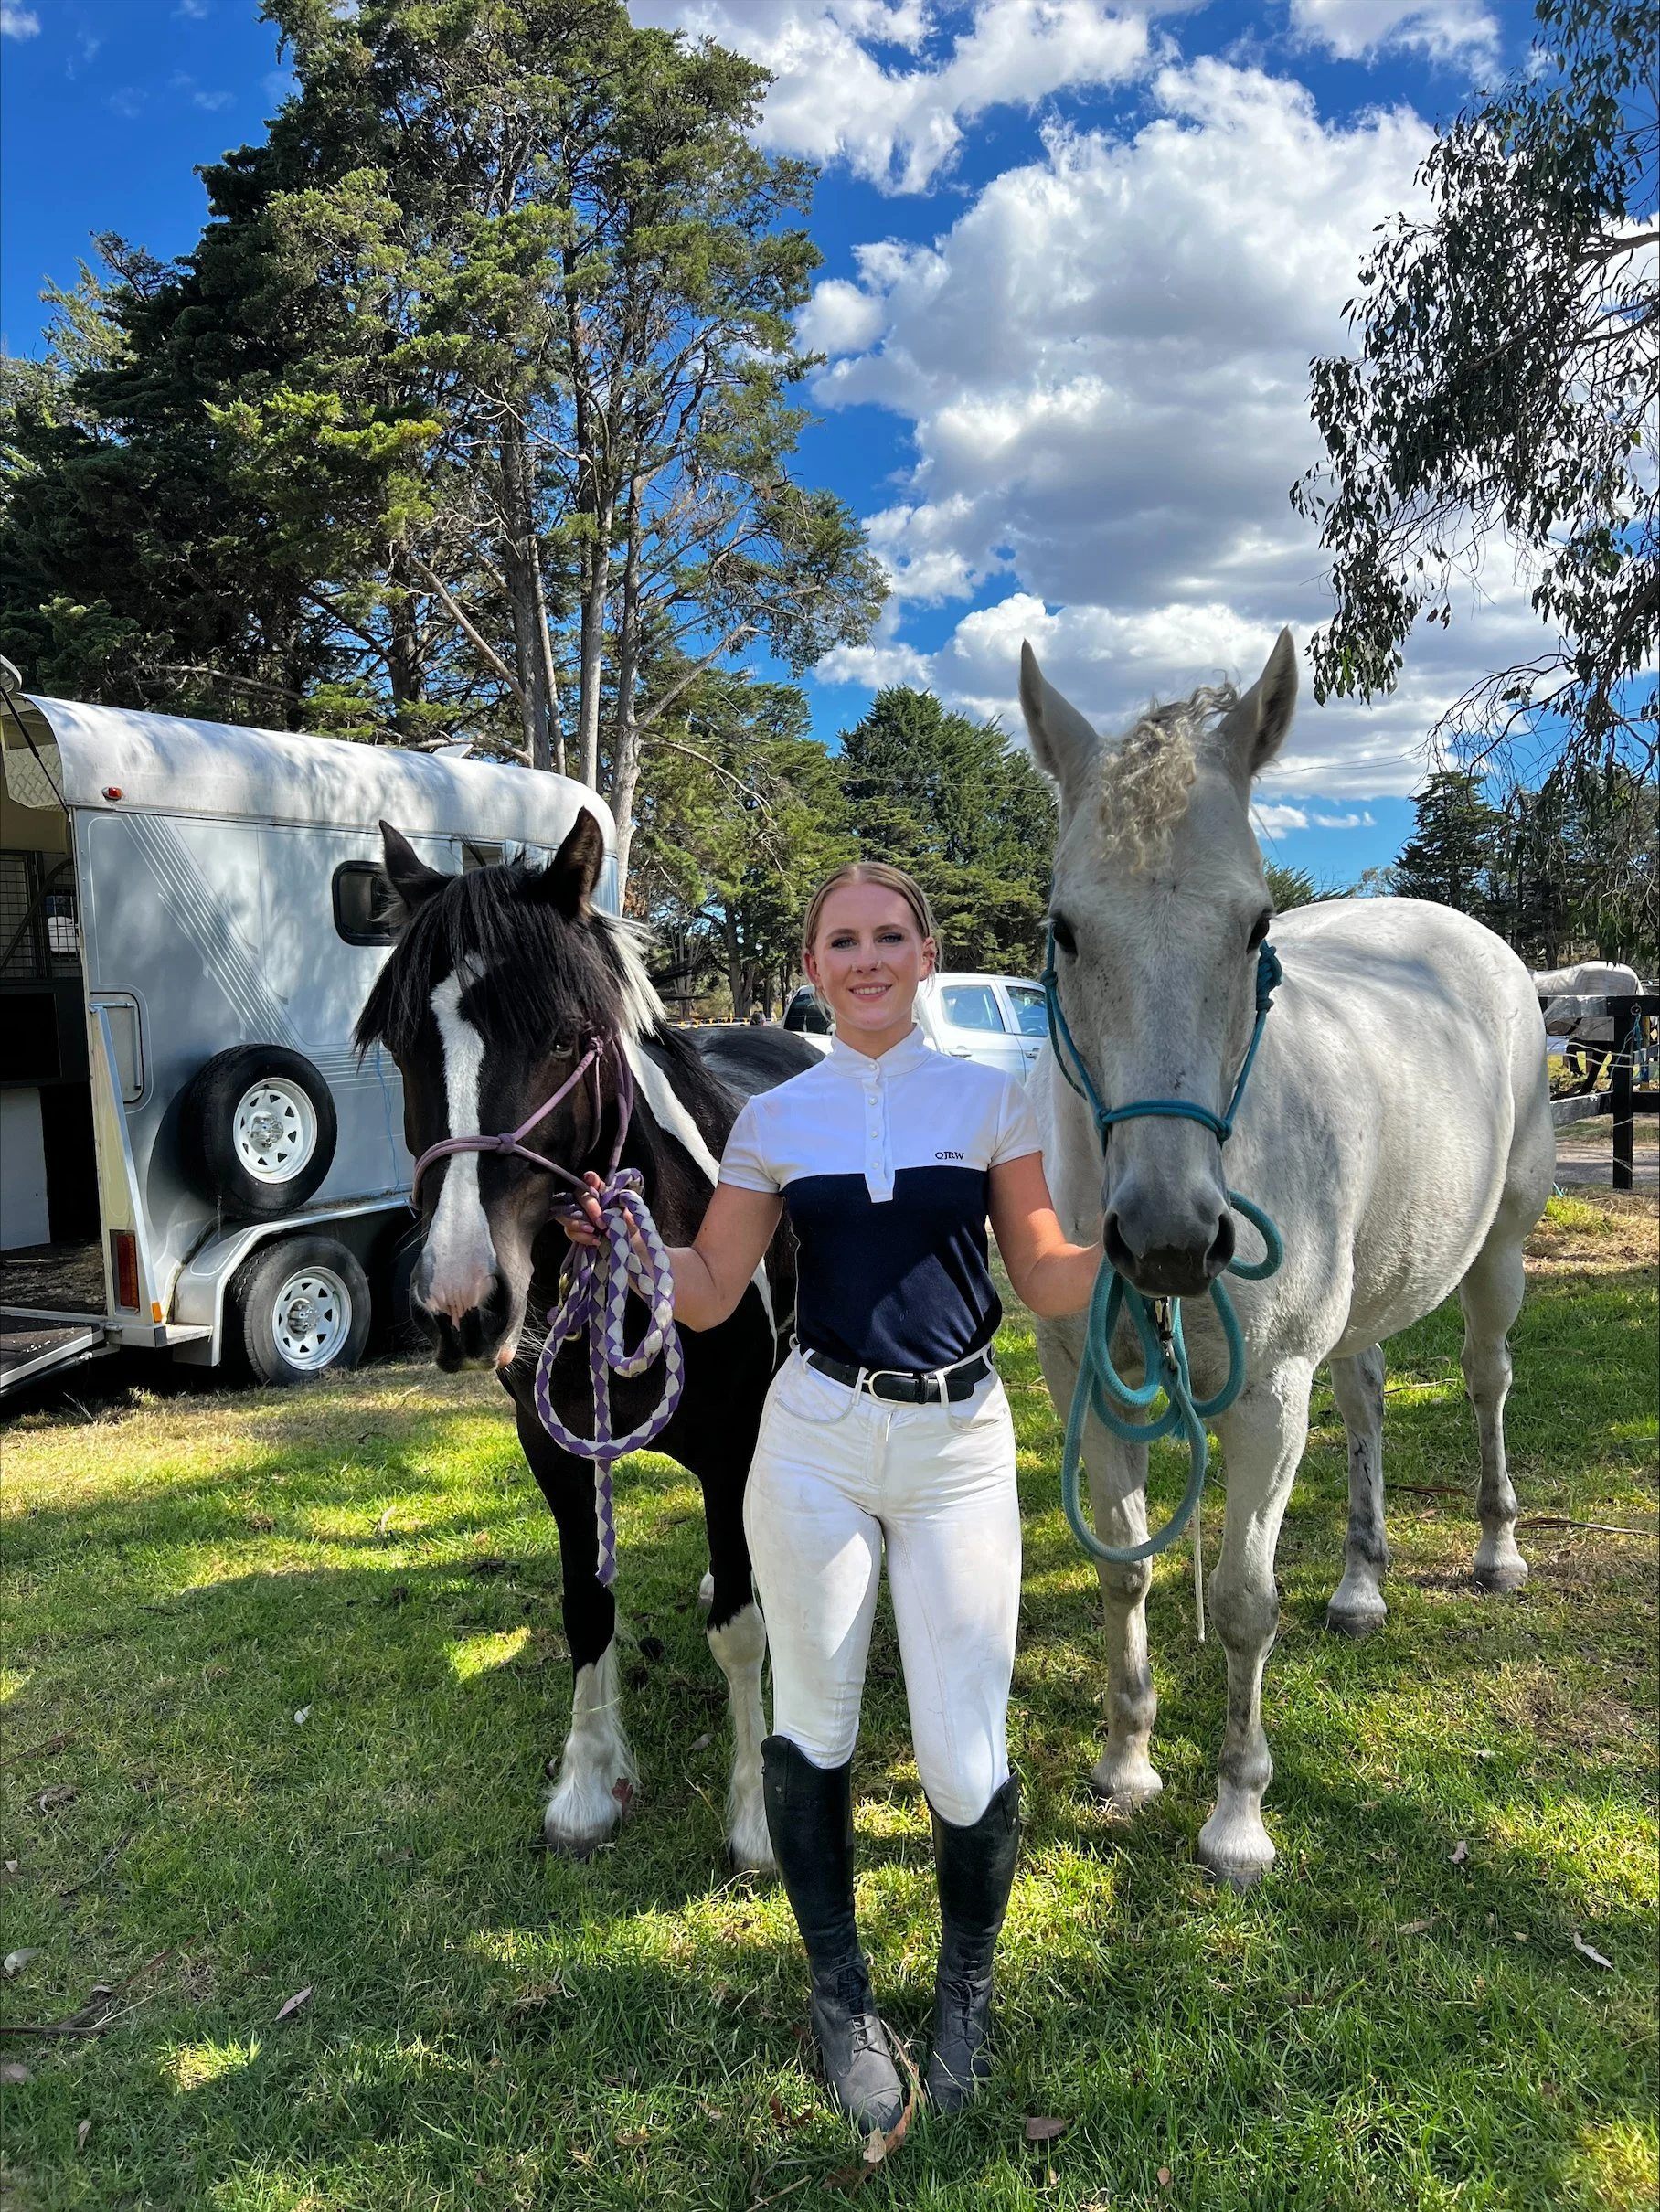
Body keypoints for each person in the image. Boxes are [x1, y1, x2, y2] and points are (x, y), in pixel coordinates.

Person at [569, 863, 1101, 2129]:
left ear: (925, 955)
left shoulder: (995, 1098)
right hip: (810, 1436)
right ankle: (841, 1999)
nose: (866, 959)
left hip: (957, 1445)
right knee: (811, 1731)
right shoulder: (777, 1123)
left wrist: (1131, 1243)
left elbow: (1043, 1277)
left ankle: (963, 1993)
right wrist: (629, 1248)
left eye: (889, 937)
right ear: (812, 968)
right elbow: (709, 1289)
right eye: (840, 942)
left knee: (967, 1762)